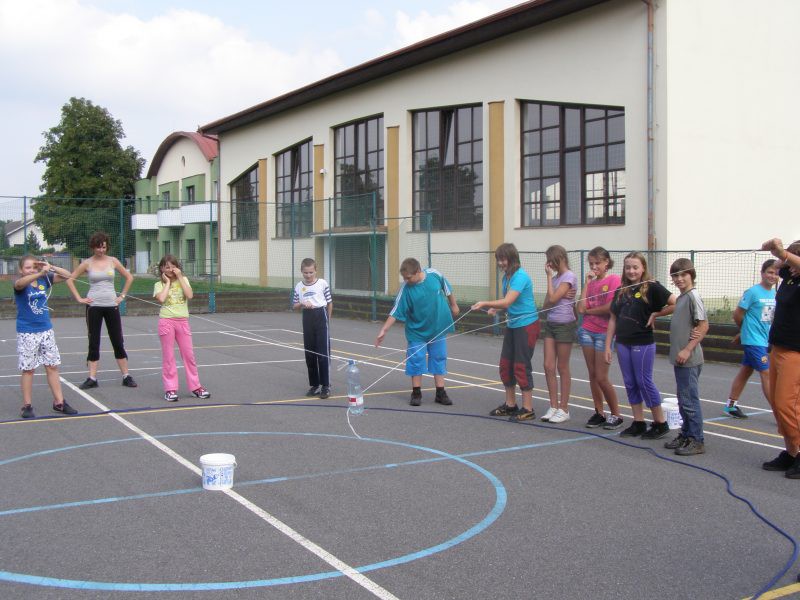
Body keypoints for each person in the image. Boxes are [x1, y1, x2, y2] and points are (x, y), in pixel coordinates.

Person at [604, 251, 676, 439]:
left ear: (643, 268)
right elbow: (613, 319)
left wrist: (656, 314)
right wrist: (608, 345)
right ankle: (638, 422)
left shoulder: (652, 287)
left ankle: (660, 422)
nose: (631, 271)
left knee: (644, 381)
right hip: (623, 343)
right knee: (630, 382)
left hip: (642, 342)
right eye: (628, 267)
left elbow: (675, 303)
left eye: (635, 267)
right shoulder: (621, 290)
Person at [375, 258, 459, 406]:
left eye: (408, 277)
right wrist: (384, 330)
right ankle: (416, 392)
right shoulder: (406, 289)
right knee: (416, 359)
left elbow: (447, 288)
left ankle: (440, 392)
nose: (406, 280)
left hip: (438, 328)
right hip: (417, 331)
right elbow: (396, 310)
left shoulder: (434, 275)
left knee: (439, 357)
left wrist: (454, 305)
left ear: (418, 271)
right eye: (404, 278)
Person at [471, 243, 540, 421]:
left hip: (526, 325)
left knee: (521, 365)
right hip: (513, 324)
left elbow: (508, 301)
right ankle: (510, 405)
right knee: (506, 365)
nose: (501, 263)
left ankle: (528, 408)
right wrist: (497, 308)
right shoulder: (507, 278)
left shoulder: (520, 276)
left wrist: (486, 303)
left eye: (503, 259)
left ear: (512, 258)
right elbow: (508, 303)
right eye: (499, 260)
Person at [67, 231, 137, 389]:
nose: (101, 250)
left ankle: (126, 376)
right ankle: (92, 378)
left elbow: (129, 277)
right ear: (93, 247)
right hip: (94, 306)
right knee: (94, 341)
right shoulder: (87, 263)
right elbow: (70, 280)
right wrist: (79, 298)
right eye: (98, 247)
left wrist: (122, 296)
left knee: (117, 340)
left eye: (104, 247)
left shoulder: (113, 261)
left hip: (111, 305)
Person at [14, 256, 78, 418]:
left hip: (46, 330)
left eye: (34, 267)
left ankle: (59, 402)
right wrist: (39, 273)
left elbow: (67, 275)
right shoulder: (20, 283)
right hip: (27, 331)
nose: (32, 270)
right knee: (29, 369)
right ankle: (27, 405)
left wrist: (51, 267)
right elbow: (20, 284)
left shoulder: (44, 279)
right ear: (21, 270)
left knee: (52, 366)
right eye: (28, 267)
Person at [760, 238, 800, 479]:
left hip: (795, 351)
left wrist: (783, 253)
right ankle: (791, 452)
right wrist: (778, 254)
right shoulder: (790, 277)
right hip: (778, 348)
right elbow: (776, 265)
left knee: (788, 404)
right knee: (777, 404)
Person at [663, 258, 708, 456]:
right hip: (680, 359)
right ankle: (686, 434)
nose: (679, 279)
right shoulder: (682, 297)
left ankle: (697, 440)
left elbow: (703, 325)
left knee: (690, 401)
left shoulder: (693, 296)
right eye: (675, 275)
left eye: (683, 274)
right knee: (683, 400)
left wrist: (688, 349)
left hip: (689, 359)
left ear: (692, 275)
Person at [723, 259, 778, 418]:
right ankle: (779, 414)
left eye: (776, 273)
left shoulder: (774, 294)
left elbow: (768, 318)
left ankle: (731, 406)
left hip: (763, 339)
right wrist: (744, 332)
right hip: (754, 341)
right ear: (762, 273)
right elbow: (738, 315)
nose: (773, 276)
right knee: (766, 373)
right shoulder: (753, 292)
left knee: (746, 371)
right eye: (770, 272)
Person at [576, 246, 624, 429]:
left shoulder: (614, 280)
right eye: (591, 263)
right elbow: (580, 308)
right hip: (587, 331)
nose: (594, 267)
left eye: (597, 263)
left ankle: (616, 414)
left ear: (606, 262)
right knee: (593, 374)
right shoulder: (591, 283)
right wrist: (586, 283)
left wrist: (589, 311)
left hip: (604, 332)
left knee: (602, 376)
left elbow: (610, 308)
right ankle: (599, 412)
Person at [153, 255, 210, 402]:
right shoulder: (158, 284)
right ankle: (170, 389)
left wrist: (180, 277)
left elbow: (189, 295)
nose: (170, 269)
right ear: (162, 269)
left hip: (182, 322)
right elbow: (161, 298)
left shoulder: (183, 280)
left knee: (189, 355)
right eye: (167, 267)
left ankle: (196, 387)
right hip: (166, 322)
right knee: (168, 357)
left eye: (173, 266)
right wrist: (167, 283)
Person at [540, 245, 577, 424]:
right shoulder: (555, 279)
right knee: (548, 365)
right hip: (551, 323)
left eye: (551, 261)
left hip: (564, 324)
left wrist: (549, 279)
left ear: (560, 258)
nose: (549, 265)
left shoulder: (569, 276)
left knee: (562, 366)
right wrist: (553, 288)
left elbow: (553, 299)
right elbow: (546, 304)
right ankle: (553, 405)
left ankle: (564, 408)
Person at [292, 258, 333, 399]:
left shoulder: (322, 283)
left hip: (320, 315)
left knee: (323, 353)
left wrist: (327, 320)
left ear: (316, 271)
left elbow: (329, 303)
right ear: (301, 272)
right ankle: (314, 385)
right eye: (305, 273)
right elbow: (294, 305)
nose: (308, 275)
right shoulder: (299, 286)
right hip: (307, 317)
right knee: (310, 353)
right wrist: (302, 303)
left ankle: (326, 385)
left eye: (311, 272)